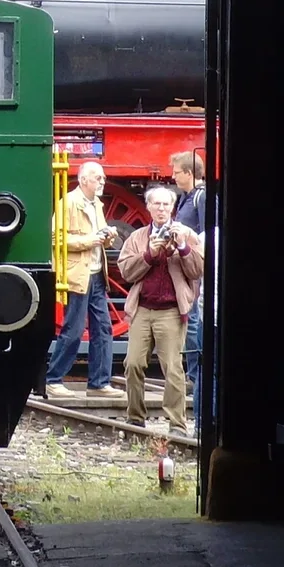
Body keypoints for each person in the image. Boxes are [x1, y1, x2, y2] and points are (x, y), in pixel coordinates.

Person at [116, 185, 204, 434]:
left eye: (166, 205)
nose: (162, 209)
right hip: (143, 308)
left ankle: (176, 423)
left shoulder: (186, 233)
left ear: (172, 208)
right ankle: (135, 418)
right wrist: (150, 254)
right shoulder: (137, 237)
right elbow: (126, 271)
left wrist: (183, 248)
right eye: (157, 204)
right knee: (133, 363)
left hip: (171, 311)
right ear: (149, 207)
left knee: (173, 368)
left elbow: (198, 271)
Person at [45, 161, 119, 398]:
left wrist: (108, 237)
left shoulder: (96, 204)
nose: (102, 182)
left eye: (104, 178)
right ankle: (53, 378)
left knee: (103, 328)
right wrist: (92, 240)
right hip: (78, 275)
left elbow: (98, 237)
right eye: (98, 178)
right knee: (74, 328)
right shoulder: (68, 203)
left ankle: (99, 382)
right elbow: (56, 239)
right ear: (84, 179)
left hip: (97, 274)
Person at [170, 150, 206, 420]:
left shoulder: (201, 197)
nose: (172, 176)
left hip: (194, 268)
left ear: (189, 173)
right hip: (183, 266)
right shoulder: (186, 197)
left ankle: (194, 375)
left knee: (193, 321)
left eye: (176, 172)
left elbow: (206, 234)